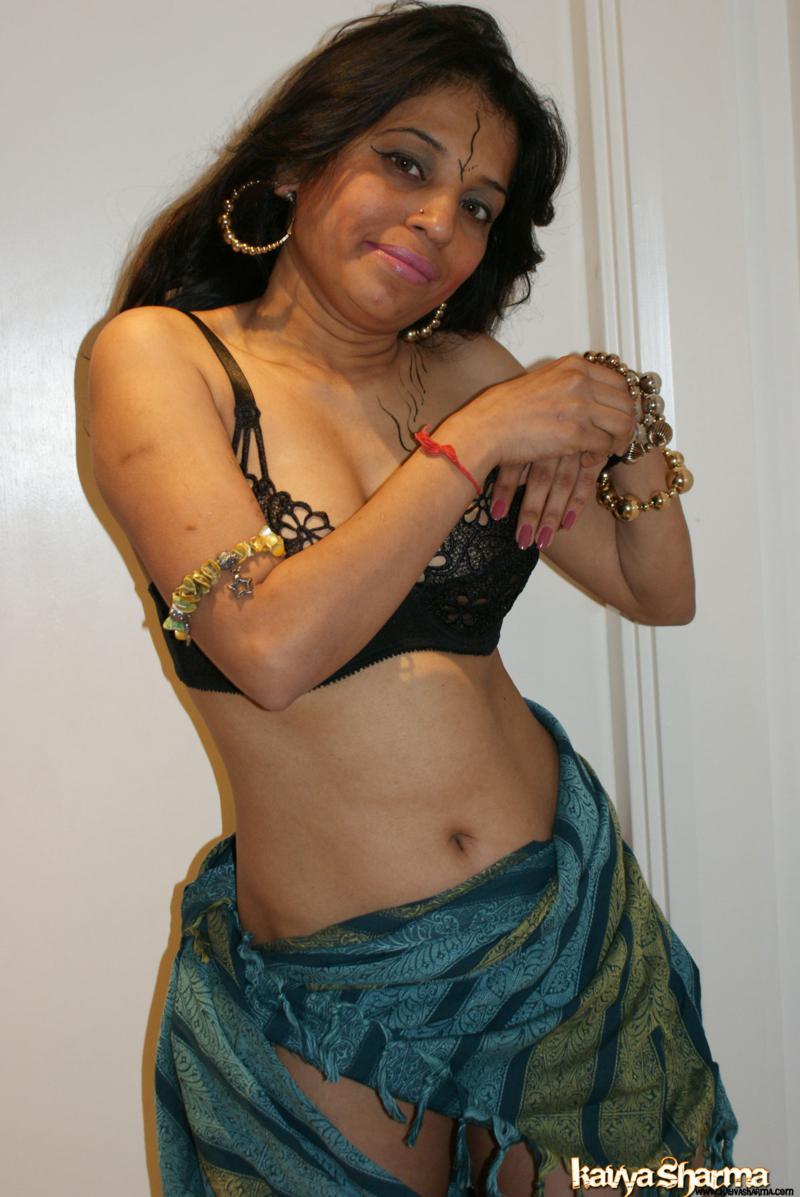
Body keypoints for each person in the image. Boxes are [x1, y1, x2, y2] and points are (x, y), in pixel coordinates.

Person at [88, 3, 737, 1194]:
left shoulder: (470, 369)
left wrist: (623, 413)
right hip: (338, 981)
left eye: (479, 205)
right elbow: (267, 648)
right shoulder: (160, 356)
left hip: (562, 929)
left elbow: (659, 590)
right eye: (403, 162)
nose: (440, 220)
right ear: (297, 162)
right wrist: (474, 439)